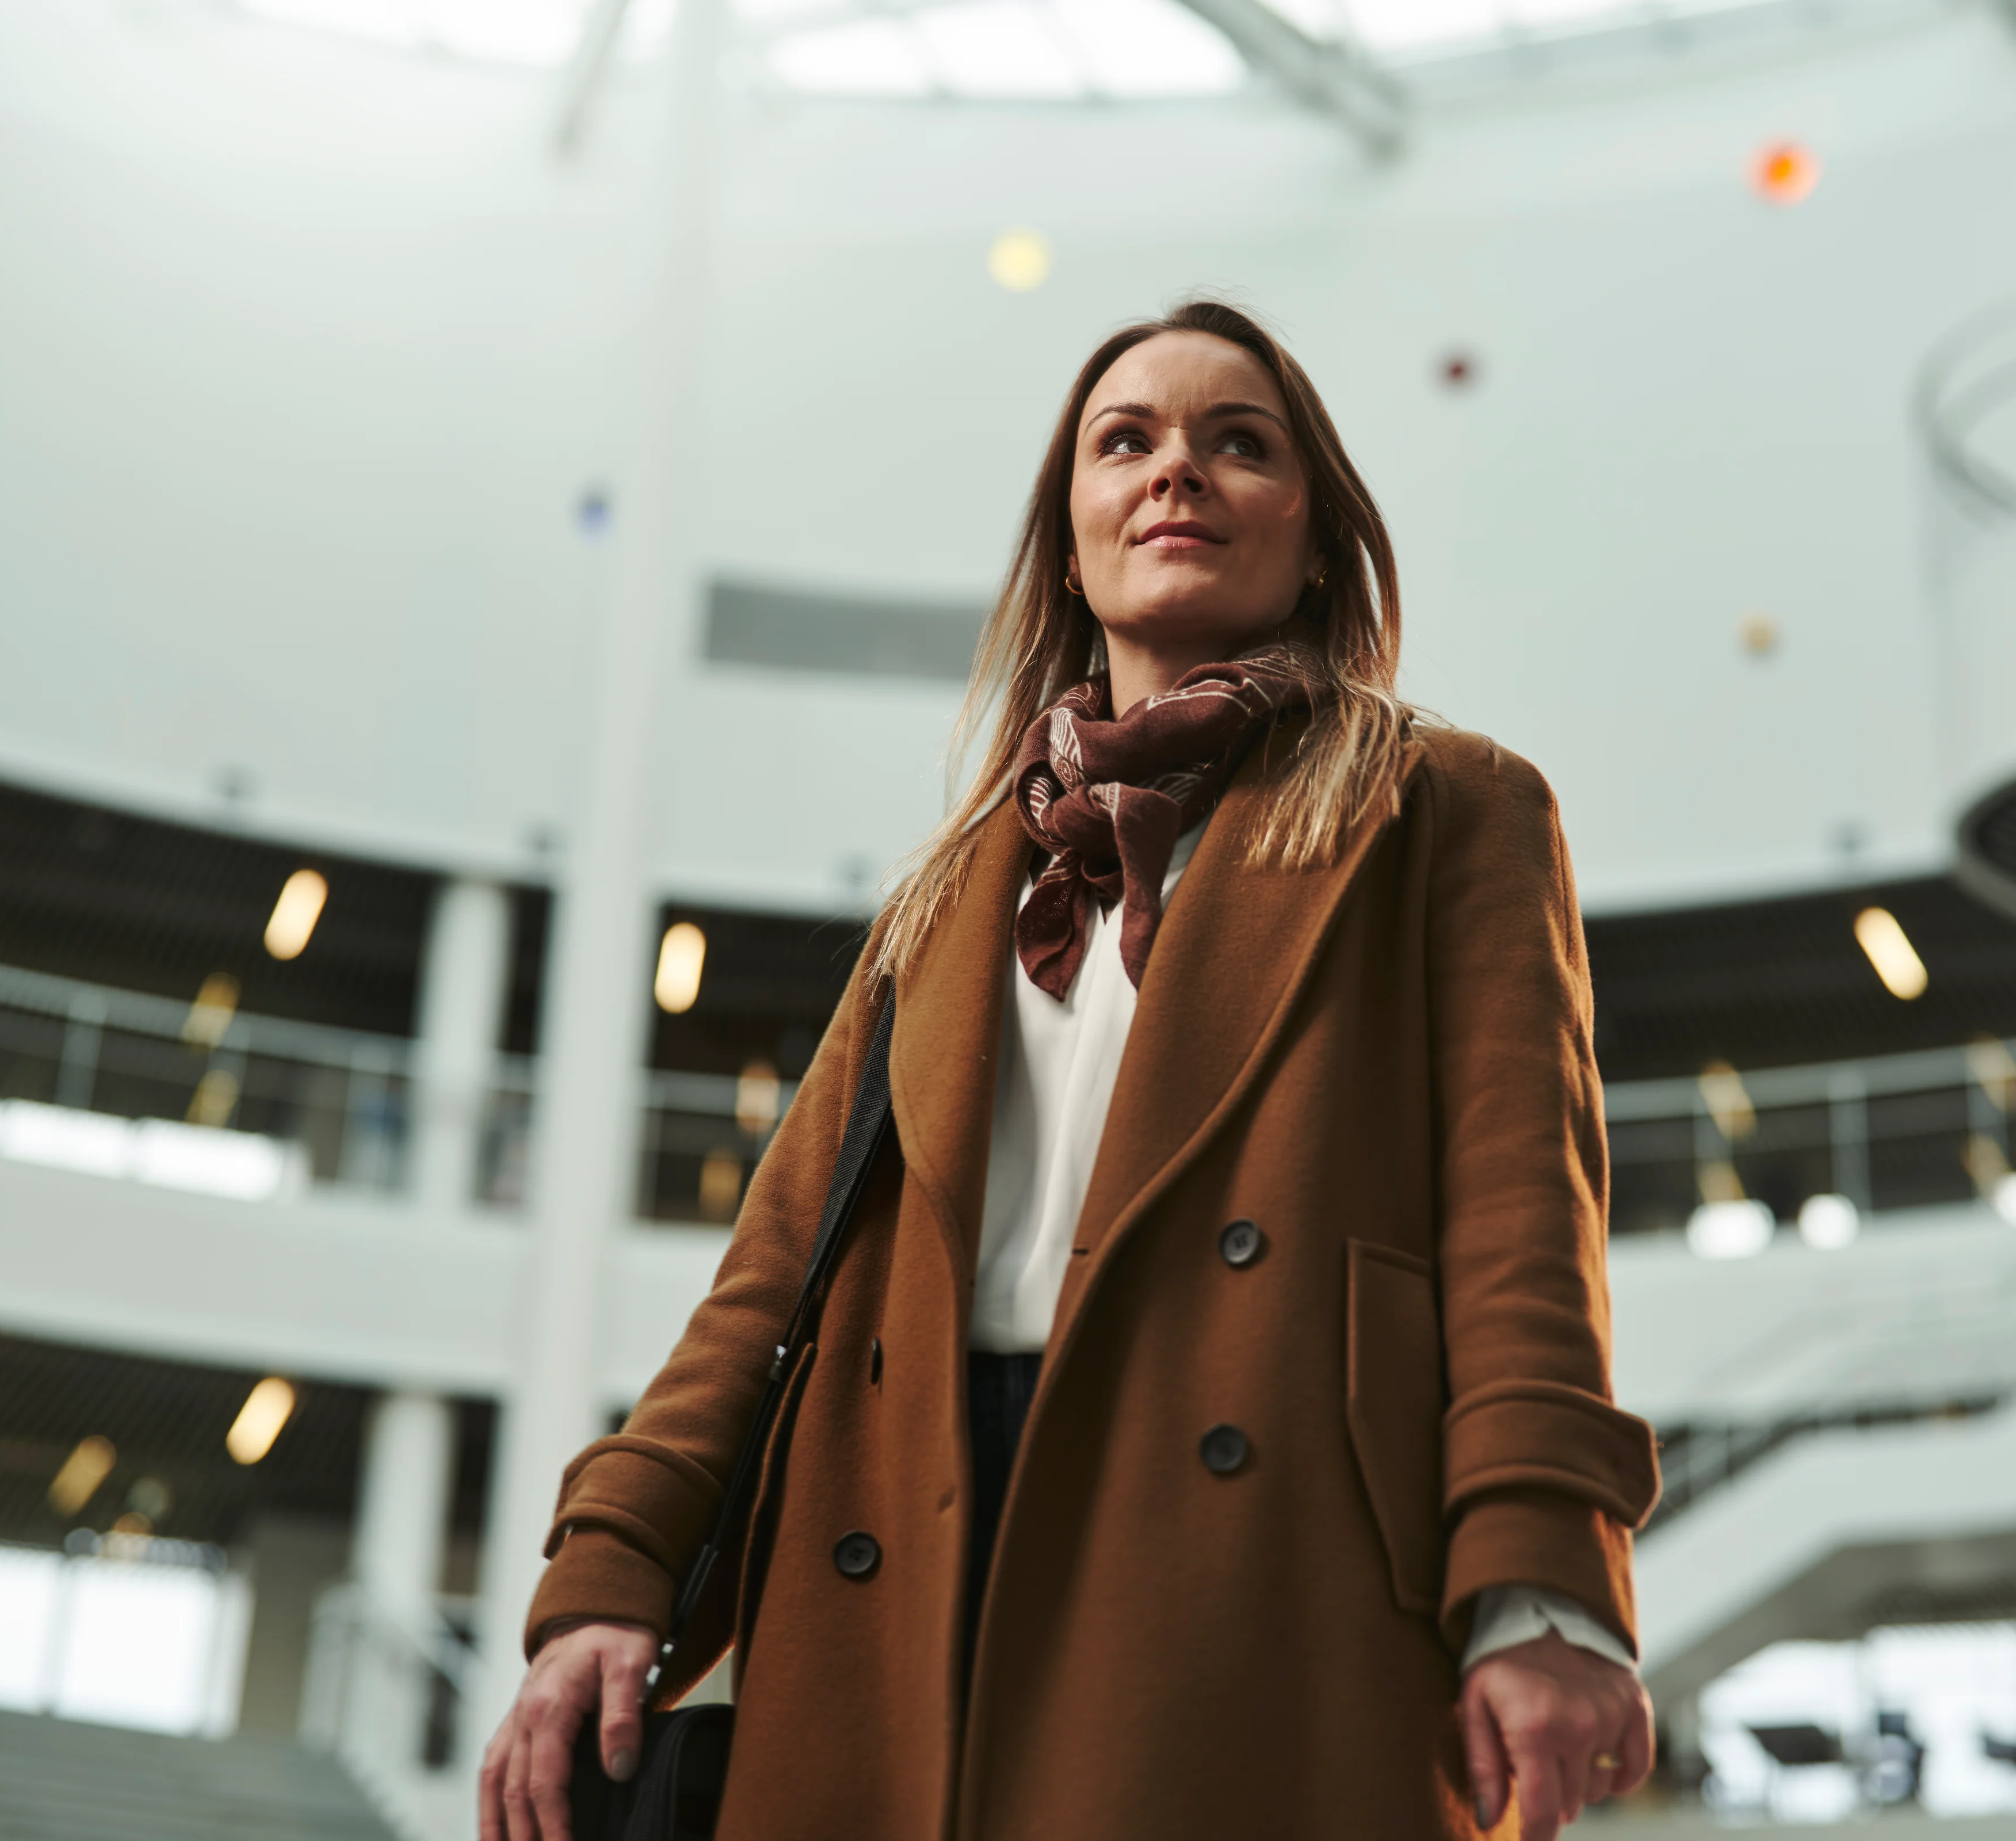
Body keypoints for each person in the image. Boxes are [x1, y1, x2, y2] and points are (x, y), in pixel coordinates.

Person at [479, 299, 1660, 1841]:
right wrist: (609, 1576)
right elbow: (765, 1285)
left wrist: (1542, 1585)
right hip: (895, 1527)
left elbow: (1522, 1224)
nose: (1178, 470)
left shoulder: (1446, 807)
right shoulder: (949, 888)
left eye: (1240, 442)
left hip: (1263, 1551)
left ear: (1316, 543)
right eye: (1129, 441)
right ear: (1074, 537)